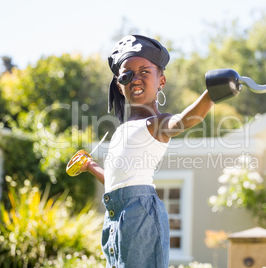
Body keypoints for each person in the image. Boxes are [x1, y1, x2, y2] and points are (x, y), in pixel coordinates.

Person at [80, 34, 214, 268]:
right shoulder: (122, 130)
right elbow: (116, 182)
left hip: (140, 215)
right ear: (119, 85)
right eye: (127, 74)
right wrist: (90, 166)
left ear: (161, 81)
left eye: (144, 72)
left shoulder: (156, 123)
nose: (136, 79)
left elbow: (183, 121)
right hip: (116, 217)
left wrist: (211, 94)